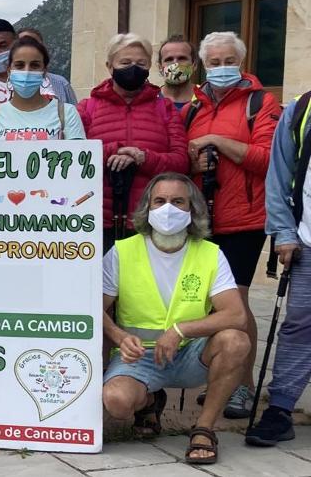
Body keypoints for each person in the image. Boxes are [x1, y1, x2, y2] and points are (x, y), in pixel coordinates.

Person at [101, 173, 249, 465]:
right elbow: (93, 307)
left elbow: (237, 314)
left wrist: (181, 329)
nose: (168, 209)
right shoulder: (122, 251)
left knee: (236, 340)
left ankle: (204, 429)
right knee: (116, 402)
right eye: (160, 201)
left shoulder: (210, 254)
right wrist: (119, 337)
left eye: (178, 202)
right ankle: (150, 401)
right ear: (148, 208)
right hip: (138, 357)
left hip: (191, 355)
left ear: (192, 210)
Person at [182, 31, 280, 418]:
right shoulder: (193, 105)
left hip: (244, 220)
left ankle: (244, 386)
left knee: (235, 303)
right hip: (202, 218)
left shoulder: (260, 101)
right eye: (214, 62)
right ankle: (222, 376)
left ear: (240, 62)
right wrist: (194, 163)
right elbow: (183, 159)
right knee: (208, 303)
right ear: (204, 64)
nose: (221, 68)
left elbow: (266, 159)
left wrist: (218, 140)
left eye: (228, 61)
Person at [78, 33, 189, 250]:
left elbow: (180, 161)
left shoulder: (164, 108)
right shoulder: (87, 108)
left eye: (141, 63)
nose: (133, 68)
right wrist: (115, 151)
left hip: (150, 221)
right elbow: (73, 158)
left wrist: (142, 156)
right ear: (110, 66)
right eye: (125, 63)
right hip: (96, 222)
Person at [245, 87, 311, 446]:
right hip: (307, 238)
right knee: (300, 323)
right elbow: (279, 172)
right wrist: (284, 232)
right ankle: (281, 408)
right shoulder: (303, 108)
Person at [0, 37, 85, 141]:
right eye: (19, 65)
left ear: (44, 72)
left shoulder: (67, 114)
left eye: (35, 65)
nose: (26, 71)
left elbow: (79, 159)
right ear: (9, 71)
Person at [17, 28, 77, 104]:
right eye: (22, 44)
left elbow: (75, 112)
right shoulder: (3, 87)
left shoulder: (62, 84)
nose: (28, 48)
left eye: (34, 44)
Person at [158, 35, 198, 111]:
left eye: (182, 58)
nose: (175, 64)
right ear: (160, 68)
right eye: (169, 59)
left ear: (194, 65)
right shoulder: (151, 100)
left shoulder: (207, 97)